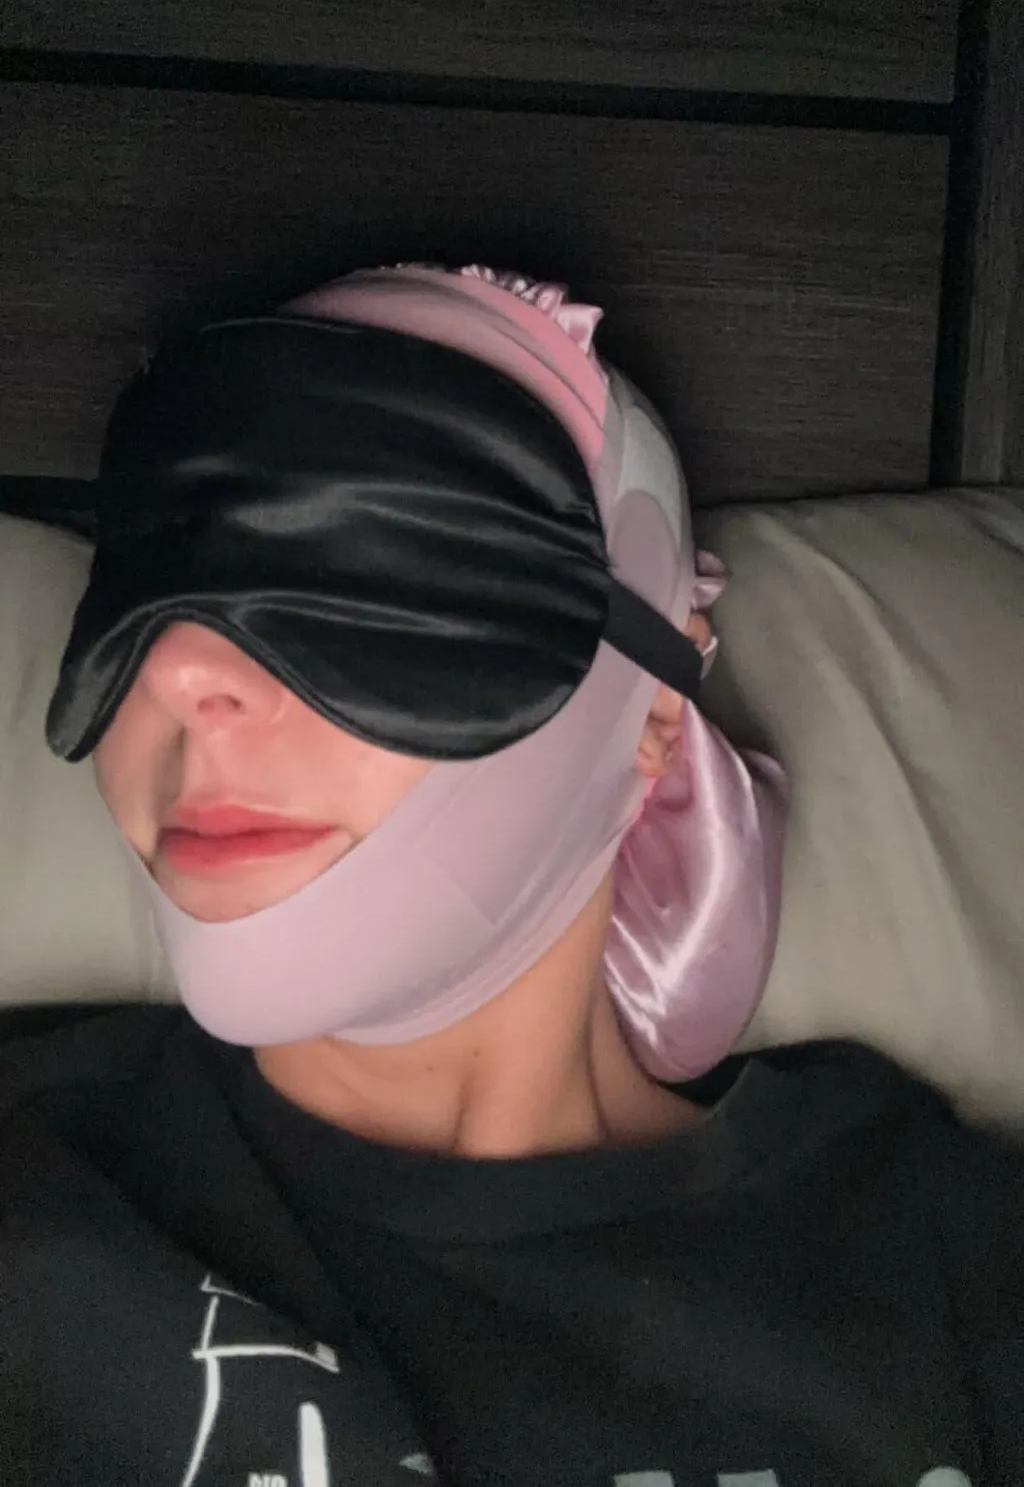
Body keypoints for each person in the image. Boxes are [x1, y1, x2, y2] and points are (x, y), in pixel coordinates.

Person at [0, 264, 1020, 1487]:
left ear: (653, 708)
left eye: (376, 582)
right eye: (147, 583)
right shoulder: (37, 1189)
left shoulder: (953, 1258)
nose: (179, 673)